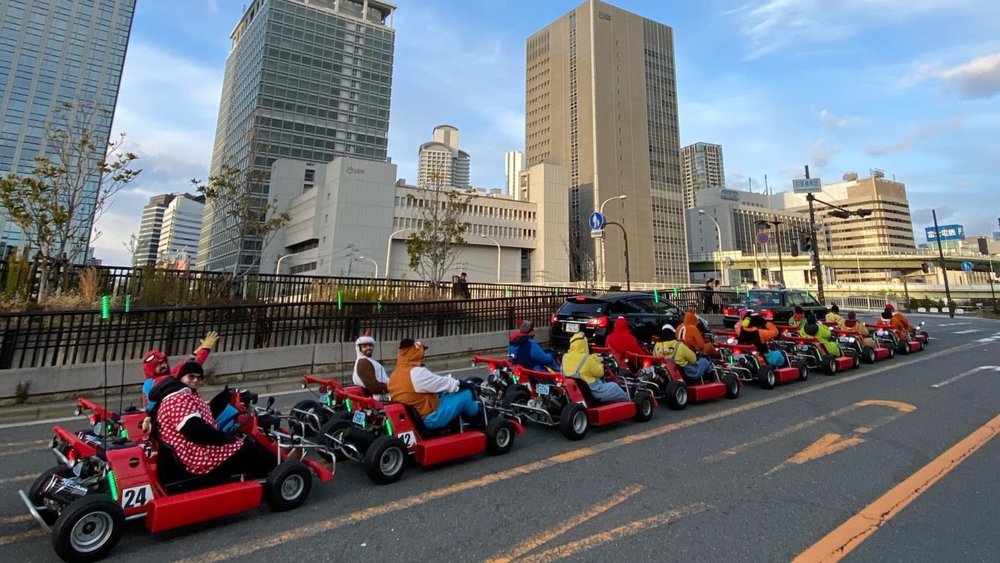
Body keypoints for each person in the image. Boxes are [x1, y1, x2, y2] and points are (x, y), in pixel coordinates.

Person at [148, 360, 279, 480]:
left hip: (190, 451)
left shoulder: (182, 395)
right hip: (196, 457)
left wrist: (224, 397)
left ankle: (256, 476)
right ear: (180, 378)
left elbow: (205, 414)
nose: (195, 380)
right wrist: (224, 439)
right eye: (191, 376)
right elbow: (195, 430)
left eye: (199, 378)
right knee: (252, 450)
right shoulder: (178, 398)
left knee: (241, 445)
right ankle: (278, 473)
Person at [387, 338, 482, 430]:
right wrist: (465, 385)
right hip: (431, 418)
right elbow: (444, 383)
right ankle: (479, 423)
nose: (423, 356)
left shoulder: (394, 375)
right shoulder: (416, 373)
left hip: (415, 416)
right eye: (421, 354)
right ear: (414, 355)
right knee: (467, 395)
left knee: (444, 394)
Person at [141, 331, 220, 433]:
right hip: (168, 426)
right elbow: (185, 367)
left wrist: (200, 349)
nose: (163, 366)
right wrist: (205, 349)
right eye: (158, 365)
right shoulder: (153, 383)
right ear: (150, 368)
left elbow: (183, 365)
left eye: (163, 362)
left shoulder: (161, 380)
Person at [562, 332, 628, 402]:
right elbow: (600, 373)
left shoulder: (565, 357)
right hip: (594, 390)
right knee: (614, 386)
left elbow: (562, 371)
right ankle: (628, 401)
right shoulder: (587, 358)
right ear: (584, 344)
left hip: (575, 389)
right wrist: (602, 365)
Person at [352, 329, 390, 401]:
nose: (368, 348)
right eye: (364, 346)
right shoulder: (363, 363)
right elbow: (374, 387)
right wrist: (394, 387)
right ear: (359, 349)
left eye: (370, 345)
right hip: (380, 398)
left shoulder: (368, 361)